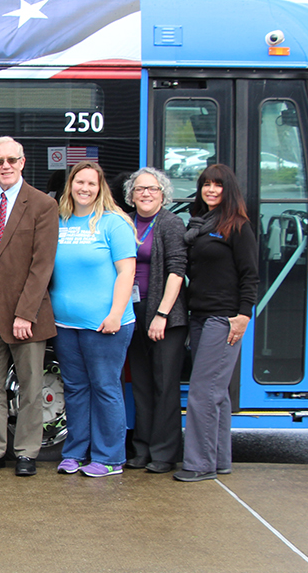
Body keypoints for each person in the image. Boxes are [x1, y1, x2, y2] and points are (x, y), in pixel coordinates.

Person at [0, 136, 58, 478]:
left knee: (31, 383)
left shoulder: (43, 204)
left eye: (11, 160)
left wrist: (25, 312)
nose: (5, 166)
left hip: (25, 308)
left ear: (23, 162)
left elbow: (42, 264)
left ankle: (26, 452)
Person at [50, 161, 137, 478]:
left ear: (101, 188)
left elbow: (127, 272)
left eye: (91, 183)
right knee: (75, 389)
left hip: (105, 325)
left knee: (105, 388)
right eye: (79, 182)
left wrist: (115, 314)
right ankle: (75, 453)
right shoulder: (60, 220)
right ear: (70, 184)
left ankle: (110, 458)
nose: (84, 188)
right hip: (65, 325)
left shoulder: (114, 223)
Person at [175, 164, 258, 482]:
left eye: (217, 185)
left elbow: (250, 274)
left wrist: (243, 316)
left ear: (229, 190)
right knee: (216, 393)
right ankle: (220, 459)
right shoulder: (199, 225)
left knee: (202, 392)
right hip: (200, 315)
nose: (210, 190)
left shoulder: (237, 226)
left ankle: (199, 464)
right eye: (205, 184)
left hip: (224, 318)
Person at [122, 167, 188, 474]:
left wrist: (162, 314)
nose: (145, 194)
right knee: (141, 386)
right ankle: (142, 449)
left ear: (163, 194)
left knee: (164, 386)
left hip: (164, 316)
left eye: (152, 189)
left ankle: (164, 453)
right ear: (131, 195)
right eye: (139, 189)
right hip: (133, 312)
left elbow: (177, 271)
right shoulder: (126, 221)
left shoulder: (171, 223)